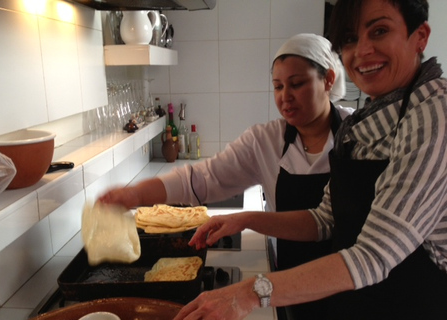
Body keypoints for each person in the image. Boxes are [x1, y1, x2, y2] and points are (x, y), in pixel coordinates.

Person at [177, 0, 447, 319]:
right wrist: (246, 219)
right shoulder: (363, 124)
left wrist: (250, 293)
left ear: (420, 36)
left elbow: (373, 256)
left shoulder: (434, 115)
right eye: (349, 39)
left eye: (380, 31)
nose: (361, 51)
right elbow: (324, 220)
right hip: (354, 304)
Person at [99, 33, 352, 319]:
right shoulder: (265, 141)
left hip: (352, 284)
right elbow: (202, 178)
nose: (285, 97)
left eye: (297, 84)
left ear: (328, 80)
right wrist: (135, 195)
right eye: (278, 86)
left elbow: (329, 224)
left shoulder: (361, 136)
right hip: (287, 281)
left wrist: (245, 220)